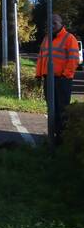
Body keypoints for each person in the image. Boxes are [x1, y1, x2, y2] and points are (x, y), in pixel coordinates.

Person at [35, 13, 80, 141]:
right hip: (48, 79)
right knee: (51, 108)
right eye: (49, 23)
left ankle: (62, 137)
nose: (52, 25)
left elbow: (73, 60)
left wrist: (65, 77)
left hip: (62, 80)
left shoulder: (69, 38)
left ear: (61, 24)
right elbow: (41, 58)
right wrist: (38, 76)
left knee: (62, 109)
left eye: (55, 23)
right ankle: (54, 135)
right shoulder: (46, 39)